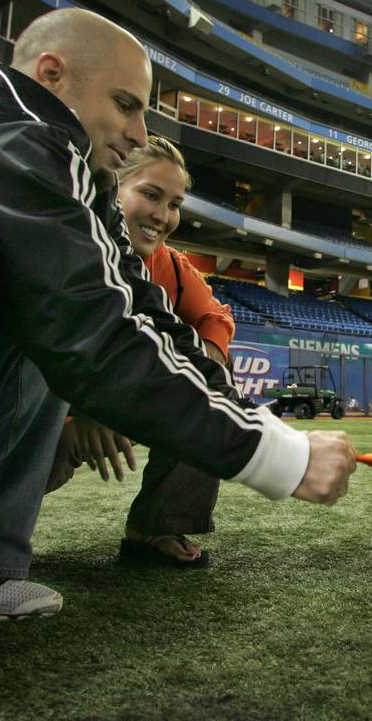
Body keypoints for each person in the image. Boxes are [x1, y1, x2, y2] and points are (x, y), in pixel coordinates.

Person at [0, 8, 356, 721]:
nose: (139, 132)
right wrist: (276, 457)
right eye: (126, 104)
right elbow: (92, 332)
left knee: (22, 296)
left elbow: (141, 315)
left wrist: (262, 430)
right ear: (51, 74)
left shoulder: (64, 171)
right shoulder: (4, 132)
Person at [47, 136, 233, 567]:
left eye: (174, 203)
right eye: (150, 194)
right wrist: (83, 408)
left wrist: (197, 371)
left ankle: (158, 526)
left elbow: (215, 319)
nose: (162, 216)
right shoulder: (68, 238)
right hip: (52, 404)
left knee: (211, 392)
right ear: (113, 186)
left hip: (115, 399)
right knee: (40, 452)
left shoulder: (169, 265)